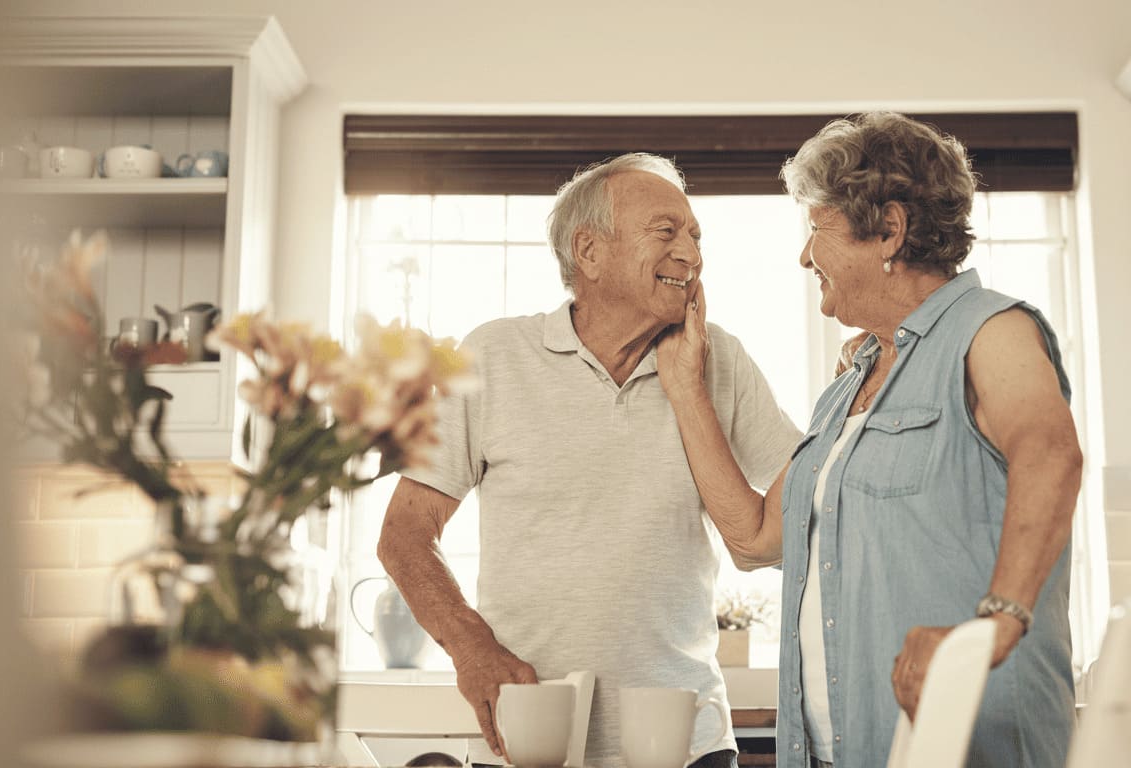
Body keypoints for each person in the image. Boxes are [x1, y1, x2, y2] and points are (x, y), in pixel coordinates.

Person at [657, 112, 1083, 767]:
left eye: (818, 229)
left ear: (889, 229)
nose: (805, 256)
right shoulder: (848, 386)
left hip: (964, 747)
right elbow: (754, 540)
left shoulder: (989, 329)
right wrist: (687, 389)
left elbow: (1050, 454)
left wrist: (1000, 620)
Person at [377, 153, 802, 768]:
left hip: (688, 744)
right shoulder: (494, 356)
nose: (691, 253)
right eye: (666, 232)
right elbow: (404, 535)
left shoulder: (720, 359)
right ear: (590, 251)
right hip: (529, 739)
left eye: (695, 236)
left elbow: (798, 508)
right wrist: (473, 649)